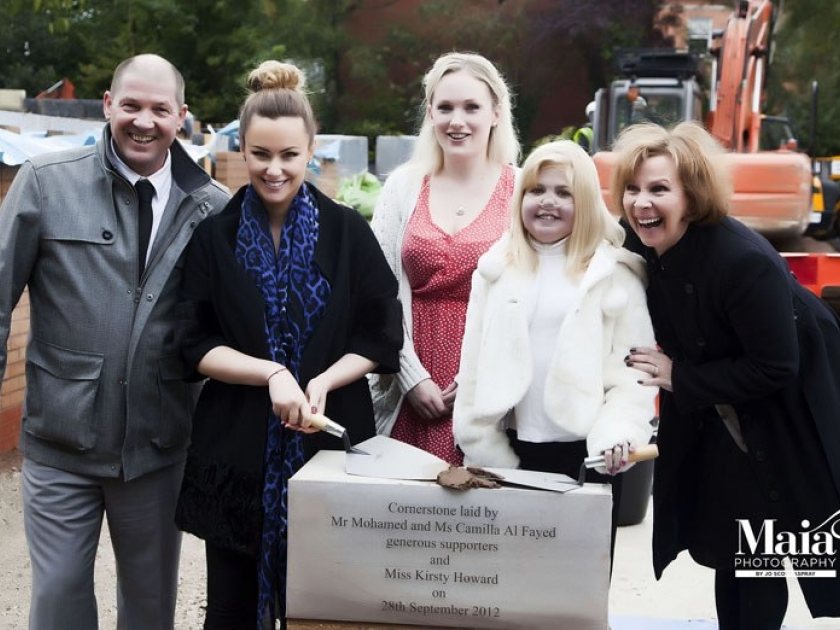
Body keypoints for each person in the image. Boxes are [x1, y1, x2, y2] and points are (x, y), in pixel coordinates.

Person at [0, 54, 230, 629]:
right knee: (57, 598)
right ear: (108, 105)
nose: (143, 121)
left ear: (182, 116)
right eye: (131, 105)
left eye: (159, 109)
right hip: (61, 438)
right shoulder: (46, 184)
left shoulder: (212, 209)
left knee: (150, 605)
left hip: (158, 444)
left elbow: (233, 328)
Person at [174, 60, 401, 629]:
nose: (274, 170)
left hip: (328, 447)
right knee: (229, 608)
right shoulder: (214, 237)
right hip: (235, 449)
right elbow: (191, 341)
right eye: (260, 154)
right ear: (241, 150)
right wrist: (272, 373)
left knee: (324, 609)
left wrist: (321, 381)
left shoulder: (349, 232)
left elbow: (380, 333)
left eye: (289, 156)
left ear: (311, 151)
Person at [613, 121, 840, 629]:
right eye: (632, 188)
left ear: (691, 198)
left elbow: (777, 366)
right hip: (724, 412)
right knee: (729, 547)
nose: (640, 203)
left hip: (785, 413)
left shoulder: (743, 262)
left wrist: (680, 377)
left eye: (658, 189)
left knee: (758, 553)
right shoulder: (648, 239)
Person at [452, 140, 657, 562]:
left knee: (580, 586)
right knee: (512, 586)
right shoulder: (494, 270)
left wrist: (618, 434)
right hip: (512, 453)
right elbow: (472, 367)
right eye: (536, 190)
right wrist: (479, 441)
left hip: (588, 454)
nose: (547, 202)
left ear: (583, 201)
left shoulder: (615, 273)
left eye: (563, 193)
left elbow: (634, 373)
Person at [369, 51, 520, 465]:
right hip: (409, 385)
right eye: (446, 107)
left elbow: (528, 301)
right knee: (401, 517)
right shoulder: (403, 187)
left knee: (477, 515)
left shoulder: (520, 190)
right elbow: (377, 292)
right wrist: (409, 377)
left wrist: (475, 381)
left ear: (495, 113)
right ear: (430, 113)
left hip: (487, 390)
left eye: (472, 107)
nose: (458, 121)